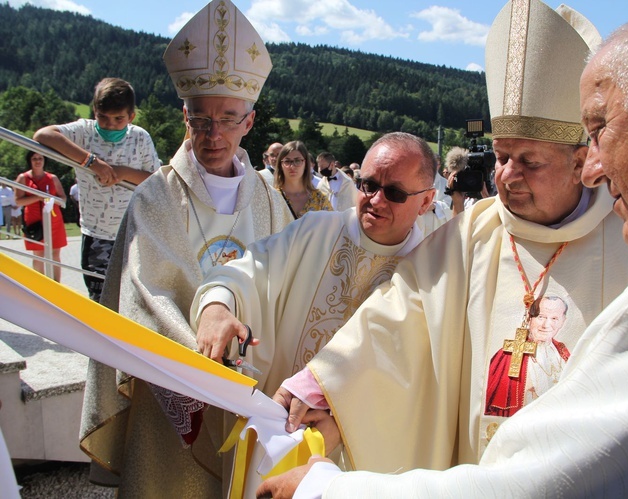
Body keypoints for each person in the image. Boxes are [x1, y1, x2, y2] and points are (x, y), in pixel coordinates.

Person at [258, 6, 628, 497]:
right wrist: (331, 386)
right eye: (500, 156)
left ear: (577, 160)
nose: (507, 176)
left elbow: (573, 474)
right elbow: (399, 317)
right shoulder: (475, 231)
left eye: (529, 161)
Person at [78, 1, 293, 497]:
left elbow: (288, 283)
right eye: (200, 119)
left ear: (249, 121)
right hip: (173, 387)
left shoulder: (269, 197)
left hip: (254, 384)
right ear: (184, 115)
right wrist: (205, 362)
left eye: (227, 119)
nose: (212, 134)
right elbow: (143, 296)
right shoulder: (155, 196)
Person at [192, 131, 434, 394]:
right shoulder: (314, 230)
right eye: (369, 185)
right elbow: (247, 271)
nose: (376, 200)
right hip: (275, 418)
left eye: (395, 193)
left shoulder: (428, 275)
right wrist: (217, 306)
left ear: (426, 201)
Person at [33, 77, 159, 302]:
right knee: (99, 299)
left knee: (132, 300)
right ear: (94, 112)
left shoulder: (140, 138)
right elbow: (43, 135)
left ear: (131, 116)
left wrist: (122, 172)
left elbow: (154, 179)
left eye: (118, 119)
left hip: (132, 233)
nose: (110, 124)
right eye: (103, 117)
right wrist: (91, 161)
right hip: (96, 234)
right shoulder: (84, 132)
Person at [485, 294, 569, 416]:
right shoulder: (507, 356)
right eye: (541, 317)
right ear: (530, 318)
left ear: (562, 321)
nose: (546, 325)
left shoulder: (563, 353)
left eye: (554, 318)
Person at [14, 151, 68, 282]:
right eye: (34, 159)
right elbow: (18, 201)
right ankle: (41, 285)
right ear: (30, 161)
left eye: (40, 158)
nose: (37, 161)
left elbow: (63, 199)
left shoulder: (52, 178)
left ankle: (56, 284)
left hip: (53, 219)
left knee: (55, 253)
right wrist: (37, 196)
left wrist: (50, 198)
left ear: (44, 161)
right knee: (39, 254)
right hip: (34, 220)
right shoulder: (23, 178)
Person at [273, 141, 332, 218]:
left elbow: (332, 227)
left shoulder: (320, 199)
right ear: (280, 165)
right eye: (287, 161)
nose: (292, 166)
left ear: (306, 164)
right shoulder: (273, 198)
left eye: (297, 161)